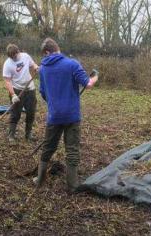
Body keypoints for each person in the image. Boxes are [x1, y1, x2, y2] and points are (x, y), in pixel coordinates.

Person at [34, 38, 98, 192]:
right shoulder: (72, 64)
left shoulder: (42, 69)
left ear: (47, 52)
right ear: (58, 48)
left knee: (48, 147)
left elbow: (43, 92)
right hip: (71, 115)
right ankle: (72, 185)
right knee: (72, 149)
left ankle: (40, 180)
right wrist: (95, 76)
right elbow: (88, 84)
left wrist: (54, 102)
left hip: (54, 115)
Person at [2, 44, 39, 144]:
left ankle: (28, 134)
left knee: (31, 112)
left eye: (15, 56)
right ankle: (11, 136)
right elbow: (7, 81)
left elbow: (33, 65)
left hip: (30, 88)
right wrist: (13, 95)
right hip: (17, 90)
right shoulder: (7, 64)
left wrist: (36, 68)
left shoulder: (25, 56)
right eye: (11, 57)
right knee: (15, 113)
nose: (13, 58)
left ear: (18, 52)